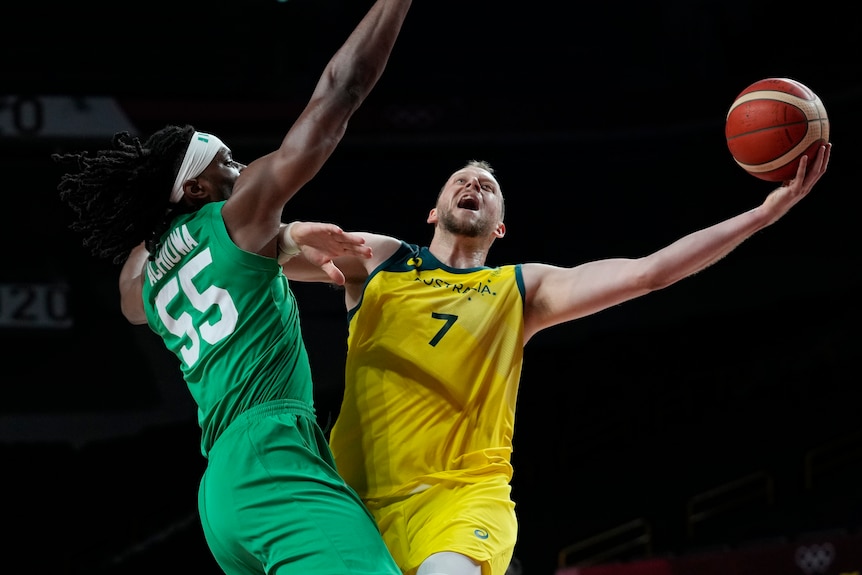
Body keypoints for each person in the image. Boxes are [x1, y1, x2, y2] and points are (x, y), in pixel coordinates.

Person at [279, 144, 832, 575]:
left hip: (462, 497)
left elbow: (649, 272)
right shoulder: (383, 261)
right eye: (461, 180)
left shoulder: (521, 289)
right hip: (354, 500)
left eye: (488, 186)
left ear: (499, 226)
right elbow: (264, 260)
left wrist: (762, 215)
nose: (474, 184)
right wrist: (270, 237)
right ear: (433, 211)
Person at [52, 1, 411, 573]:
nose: (243, 171)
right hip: (273, 455)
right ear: (197, 188)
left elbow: (132, 296)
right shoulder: (237, 218)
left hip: (222, 492)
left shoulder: (142, 281)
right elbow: (341, 91)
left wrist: (284, 239)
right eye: (229, 163)